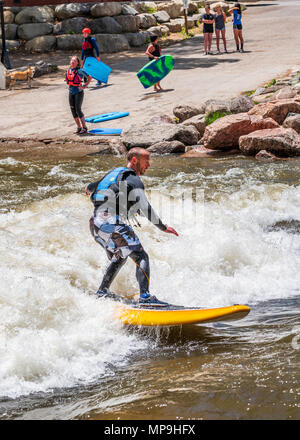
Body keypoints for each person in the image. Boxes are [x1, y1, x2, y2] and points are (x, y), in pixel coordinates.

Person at [85, 147, 179, 306]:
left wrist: (89, 189)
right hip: (110, 222)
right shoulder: (134, 180)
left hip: (95, 224)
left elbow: (90, 187)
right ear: (134, 160)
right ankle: (145, 298)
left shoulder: (114, 173)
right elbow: (145, 207)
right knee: (141, 256)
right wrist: (163, 227)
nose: (148, 165)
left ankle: (102, 292)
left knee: (120, 255)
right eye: (146, 162)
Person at [65, 56, 91, 135]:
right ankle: (79, 128)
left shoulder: (80, 70)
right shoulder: (68, 70)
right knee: (73, 111)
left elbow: (89, 77)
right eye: (72, 61)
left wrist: (84, 86)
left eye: (74, 61)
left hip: (78, 92)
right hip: (71, 92)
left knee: (78, 110)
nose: (73, 62)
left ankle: (84, 127)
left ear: (77, 63)